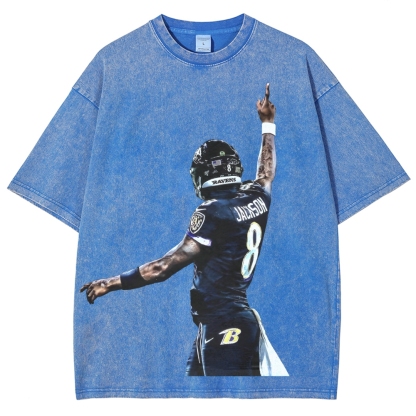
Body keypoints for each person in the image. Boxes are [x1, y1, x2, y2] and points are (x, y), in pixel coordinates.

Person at [81, 84, 287, 376]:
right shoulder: (257, 197)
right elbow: (266, 173)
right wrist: (268, 124)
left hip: (224, 326)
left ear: (204, 175)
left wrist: (111, 283)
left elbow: (162, 268)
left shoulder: (211, 211)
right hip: (227, 322)